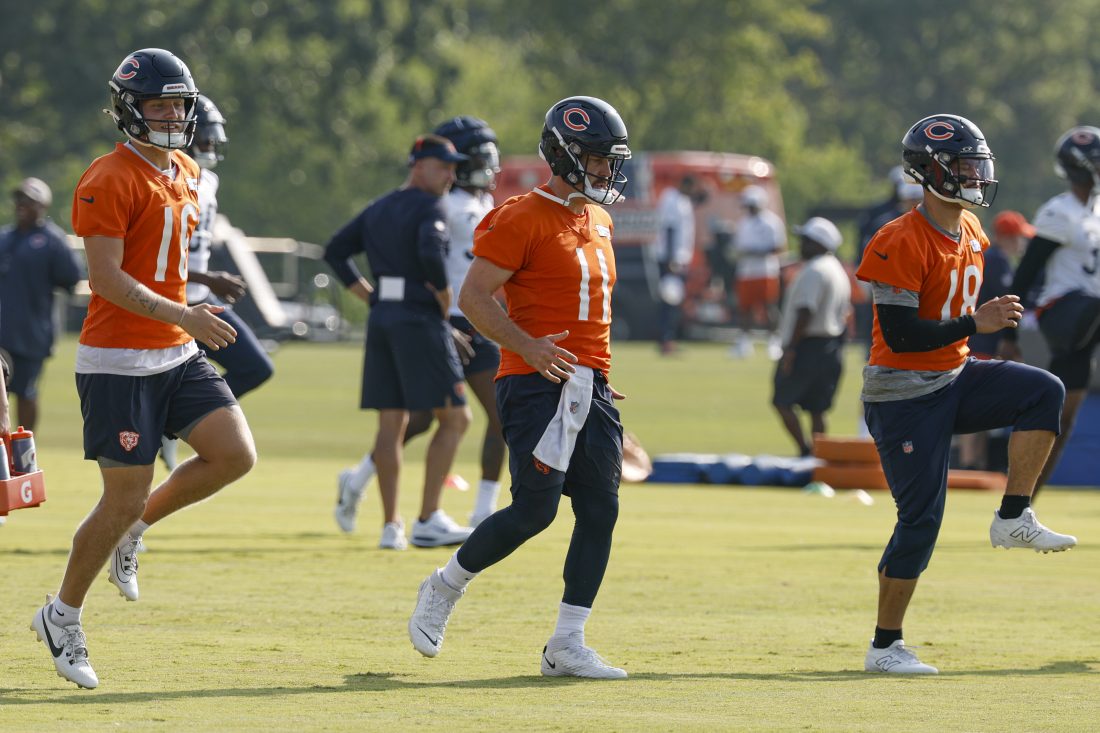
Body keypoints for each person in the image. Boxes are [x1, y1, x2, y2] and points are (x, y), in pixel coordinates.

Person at [30, 48, 256, 690]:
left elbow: (165, 263)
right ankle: (61, 613)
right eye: (159, 103)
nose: (172, 115)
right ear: (129, 108)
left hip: (173, 351)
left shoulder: (184, 169)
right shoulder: (108, 175)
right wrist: (186, 314)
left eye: (179, 103)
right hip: (118, 361)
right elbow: (103, 279)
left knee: (234, 454)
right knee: (119, 494)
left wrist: (189, 304)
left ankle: (136, 530)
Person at [408, 95, 631, 679]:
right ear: (566, 154)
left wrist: (599, 375)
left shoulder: (600, 219)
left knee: (601, 509)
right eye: (599, 158)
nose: (609, 170)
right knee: (535, 510)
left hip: (589, 383)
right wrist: (528, 345)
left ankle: (566, 643)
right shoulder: (519, 216)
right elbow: (474, 298)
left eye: (613, 159)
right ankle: (444, 586)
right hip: (534, 383)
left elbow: (588, 313)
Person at [856, 113, 1076, 676]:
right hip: (903, 392)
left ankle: (1013, 515)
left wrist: (974, 331)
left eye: (977, 163)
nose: (975, 174)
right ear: (930, 171)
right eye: (963, 165)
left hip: (953, 375)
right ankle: (884, 647)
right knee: (921, 521)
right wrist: (974, 325)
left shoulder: (972, 231)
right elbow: (901, 336)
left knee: (1042, 391)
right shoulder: (897, 238)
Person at [334, 117, 505, 533]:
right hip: (436, 321)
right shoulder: (436, 203)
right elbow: (426, 257)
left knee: (499, 415)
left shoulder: (479, 203)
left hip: (474, 322)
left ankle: (483, 509)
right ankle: (366, 484)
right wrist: (435, 310)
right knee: (424, 420)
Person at [160, 94, 274, 470]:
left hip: (203, 296)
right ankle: (172, 426)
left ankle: (175, 426)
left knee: (256, 366)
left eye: (213, 139)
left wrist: (208, 279)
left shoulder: (208, 179)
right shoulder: (169, 178)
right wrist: (208, 276)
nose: (210, 147)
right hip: (177, 304)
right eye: (205, 139)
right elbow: (159, 255)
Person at [1002, 127, 1100, 499]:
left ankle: (1020, 506)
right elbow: (1026, 272)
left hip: (1089, 323)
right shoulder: (1060, 212)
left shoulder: (1095, 211)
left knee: (1062, 419)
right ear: (1082, 167)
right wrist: (1010, 333)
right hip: (1063, 313)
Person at [0, 177, 83, 433]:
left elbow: (71, 278)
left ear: (42, 204)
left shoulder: (52, 240)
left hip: (32, 333)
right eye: (19, 200)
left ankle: (24, 448)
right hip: (2, 332)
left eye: (28, 200)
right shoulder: (4, 237)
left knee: (26, 391)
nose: (21, 205)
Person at [956, 210, 1032, 470]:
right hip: (982, 342)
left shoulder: (994, 258)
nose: (1021, 243)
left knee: (980, 408)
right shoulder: (996, 260)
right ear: (1006, 236)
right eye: (1018, 237)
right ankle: (969, 464)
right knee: (975, 406)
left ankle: (975, 462)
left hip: (980, 339)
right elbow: (1005, 303)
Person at [771, 217, 851, 457]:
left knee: (782, 401)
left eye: (806, 240)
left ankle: (805, 451)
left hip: (807, 344)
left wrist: (791, 349)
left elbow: (806, 311)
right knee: (818, 408)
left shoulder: (815, 270)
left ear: (818, 243)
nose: (801, 245)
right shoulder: (837, 269)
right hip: (830, 345)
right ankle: (819, 457)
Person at [731, 184, 785, 359]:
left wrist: (753, 252)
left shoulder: (772, 222)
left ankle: (773, 342)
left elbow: (778, 247)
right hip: (745, 271)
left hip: (765, 271)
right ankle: (744, 342)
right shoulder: (743, 222)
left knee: (769, 306)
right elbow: (738, 247)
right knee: (745, 308)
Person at [654, 175, 698, 355]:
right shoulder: (671, 198)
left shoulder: (683, 200)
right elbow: (670, 229)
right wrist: (671, 260)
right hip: (670, 258)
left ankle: (669, 339)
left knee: (674, 302)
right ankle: (666, 341)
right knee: (669, 302)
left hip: (678, 259)